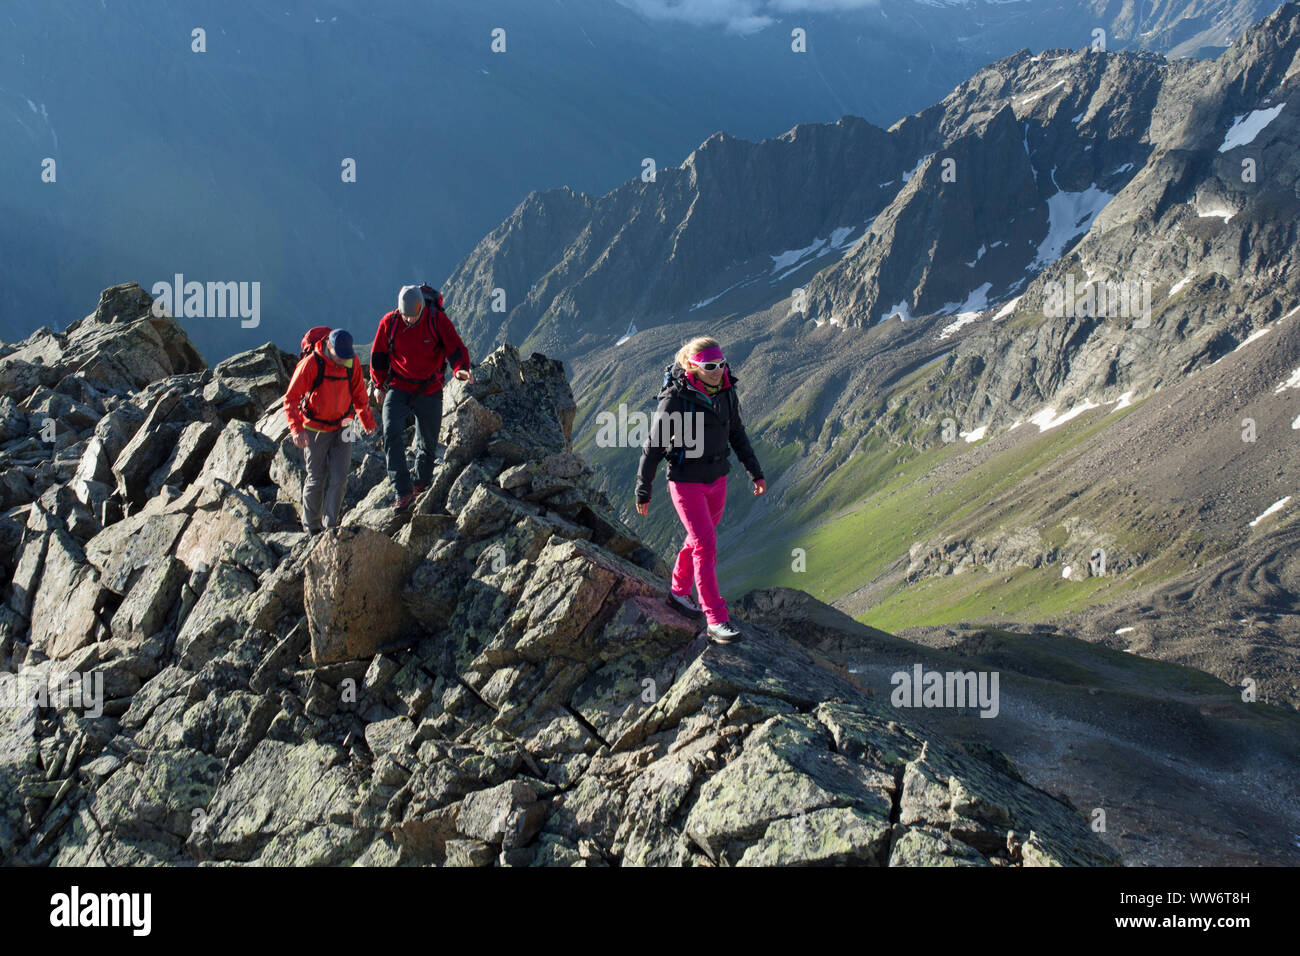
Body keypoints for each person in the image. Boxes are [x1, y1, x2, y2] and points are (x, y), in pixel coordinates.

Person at [635, 336, 766, 643]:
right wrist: (644, 487)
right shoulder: (675, 398)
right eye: (710, 366)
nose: (718, 370)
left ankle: (678, 592)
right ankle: (716, 618)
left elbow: (737, 435)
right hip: (685, 482)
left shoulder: (726, 392)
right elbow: (653, 446)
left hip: (717, 479)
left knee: (697, 542)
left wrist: (755, 472)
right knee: (706, 544)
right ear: (692, 366)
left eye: (721, 364)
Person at [370, 284, 474, 511]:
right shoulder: (390, 322)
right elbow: (379, 356)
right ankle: (402, 492)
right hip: (399, 386)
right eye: (404, 315)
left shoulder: (437, 321)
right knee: (390, 433)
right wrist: (378, 385)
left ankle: (420, 483)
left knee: (427, 444)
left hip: (429, 388)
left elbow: (455, 348)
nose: (408, 320)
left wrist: (460, 369)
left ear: (422, 310)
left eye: (412, 316)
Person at [283, 328, 378, 534]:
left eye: (346, 356)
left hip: (344, 426)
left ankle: (330, 525)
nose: (343, 360)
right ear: (329, 347)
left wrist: (367, 421)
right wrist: (296, 429)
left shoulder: (350, 361)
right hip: (314, 428)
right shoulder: (311, 364)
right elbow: (290, 399)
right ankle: (311, 528)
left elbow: (360, 395)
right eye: (339, 357)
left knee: (340, 477)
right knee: (316, 477)